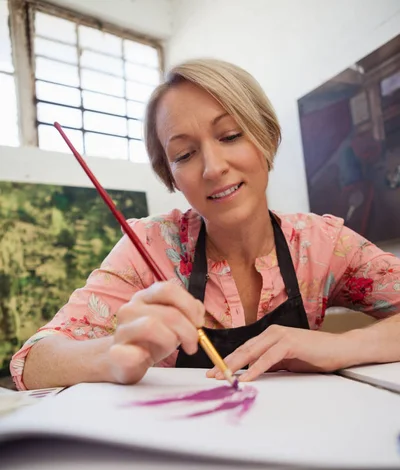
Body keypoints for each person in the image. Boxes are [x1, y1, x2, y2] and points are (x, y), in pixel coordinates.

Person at [10, 59, 400, 391]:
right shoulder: (150, 246)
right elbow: (31, 362)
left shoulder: (322, 244)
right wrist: (109, 355)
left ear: (265, 137)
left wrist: (342, 347)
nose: (213, 168)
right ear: (171, 176)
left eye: (230, 135)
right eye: (184, 154)